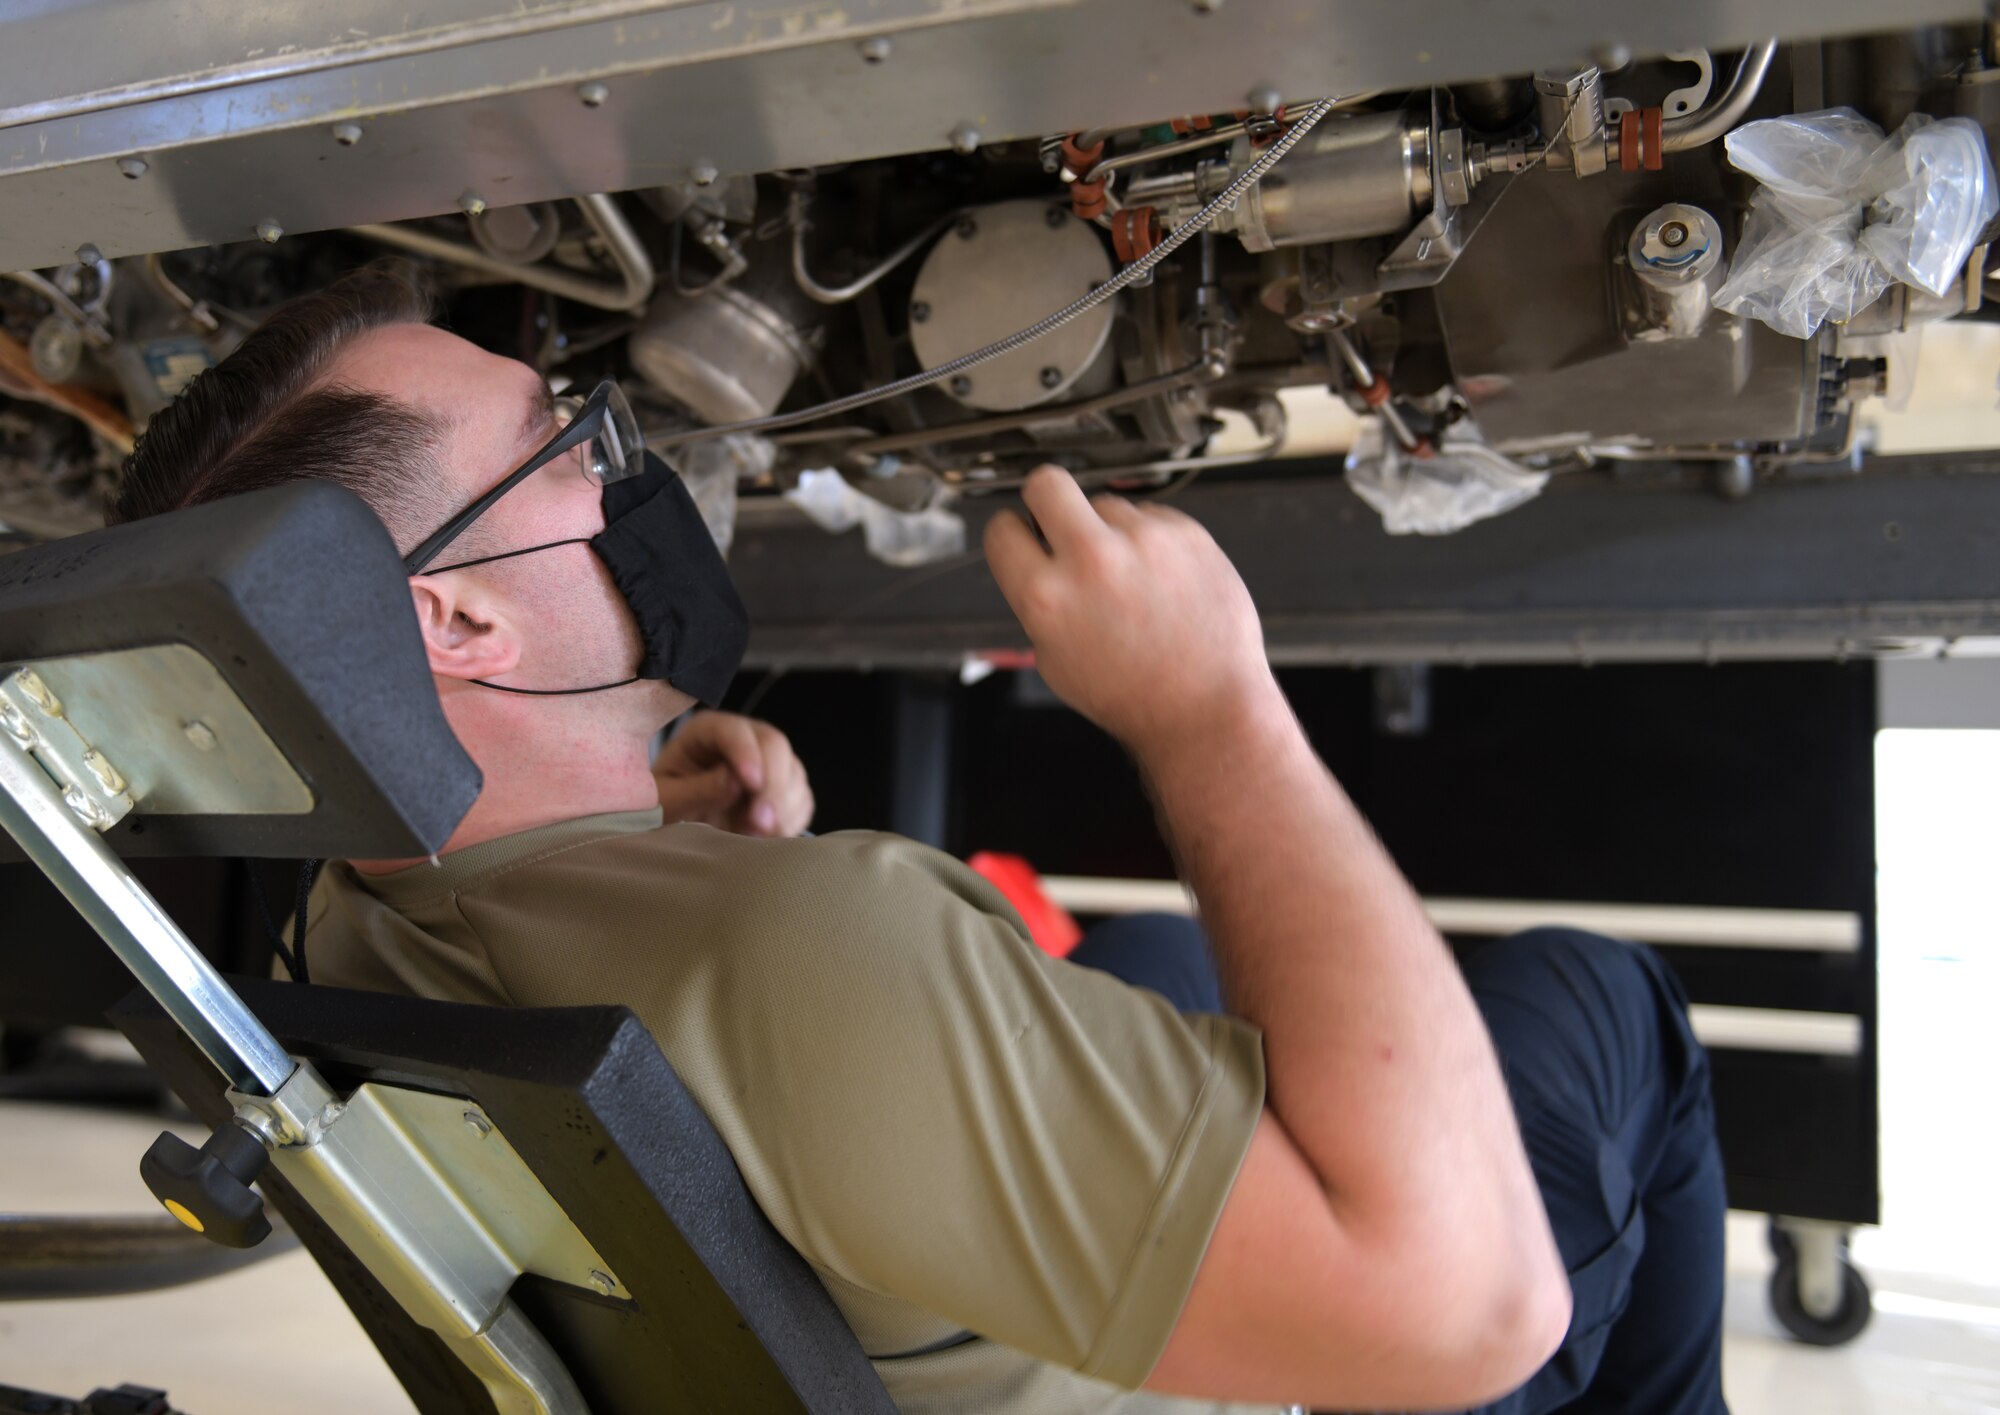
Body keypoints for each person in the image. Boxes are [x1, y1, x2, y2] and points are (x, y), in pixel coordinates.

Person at [112, 264, 1727, 1414]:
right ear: (454, 617)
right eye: (566, 446)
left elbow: (534, 878)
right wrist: (1208, 710)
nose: (625, 472)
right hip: (1337, 1357)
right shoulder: (808, 941)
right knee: (1605, 996)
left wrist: (642, 805)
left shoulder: (347, 917)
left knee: (1155, 958)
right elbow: (1459, 1313)